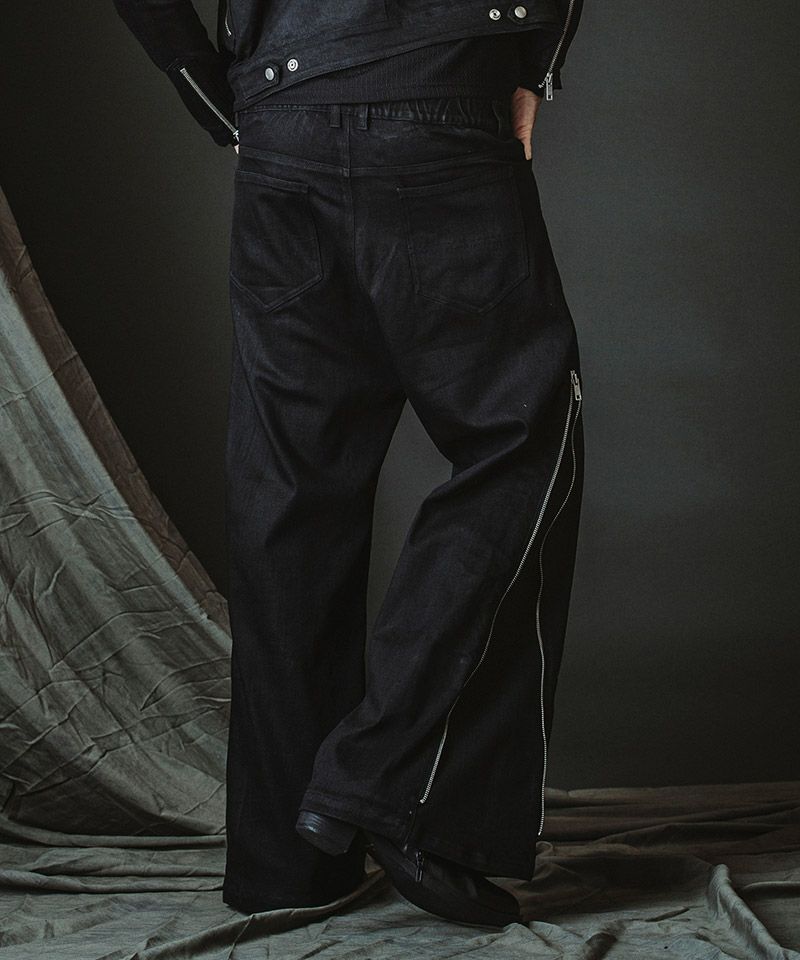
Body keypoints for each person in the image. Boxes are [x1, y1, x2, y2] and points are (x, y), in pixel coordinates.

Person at [112, 0, 586, 930]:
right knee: (521, 437)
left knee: (290, 491)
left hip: (280, 122)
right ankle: (386, 781)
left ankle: (286, 865)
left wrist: (217, 97)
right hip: (441, 105)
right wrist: (533, 59)